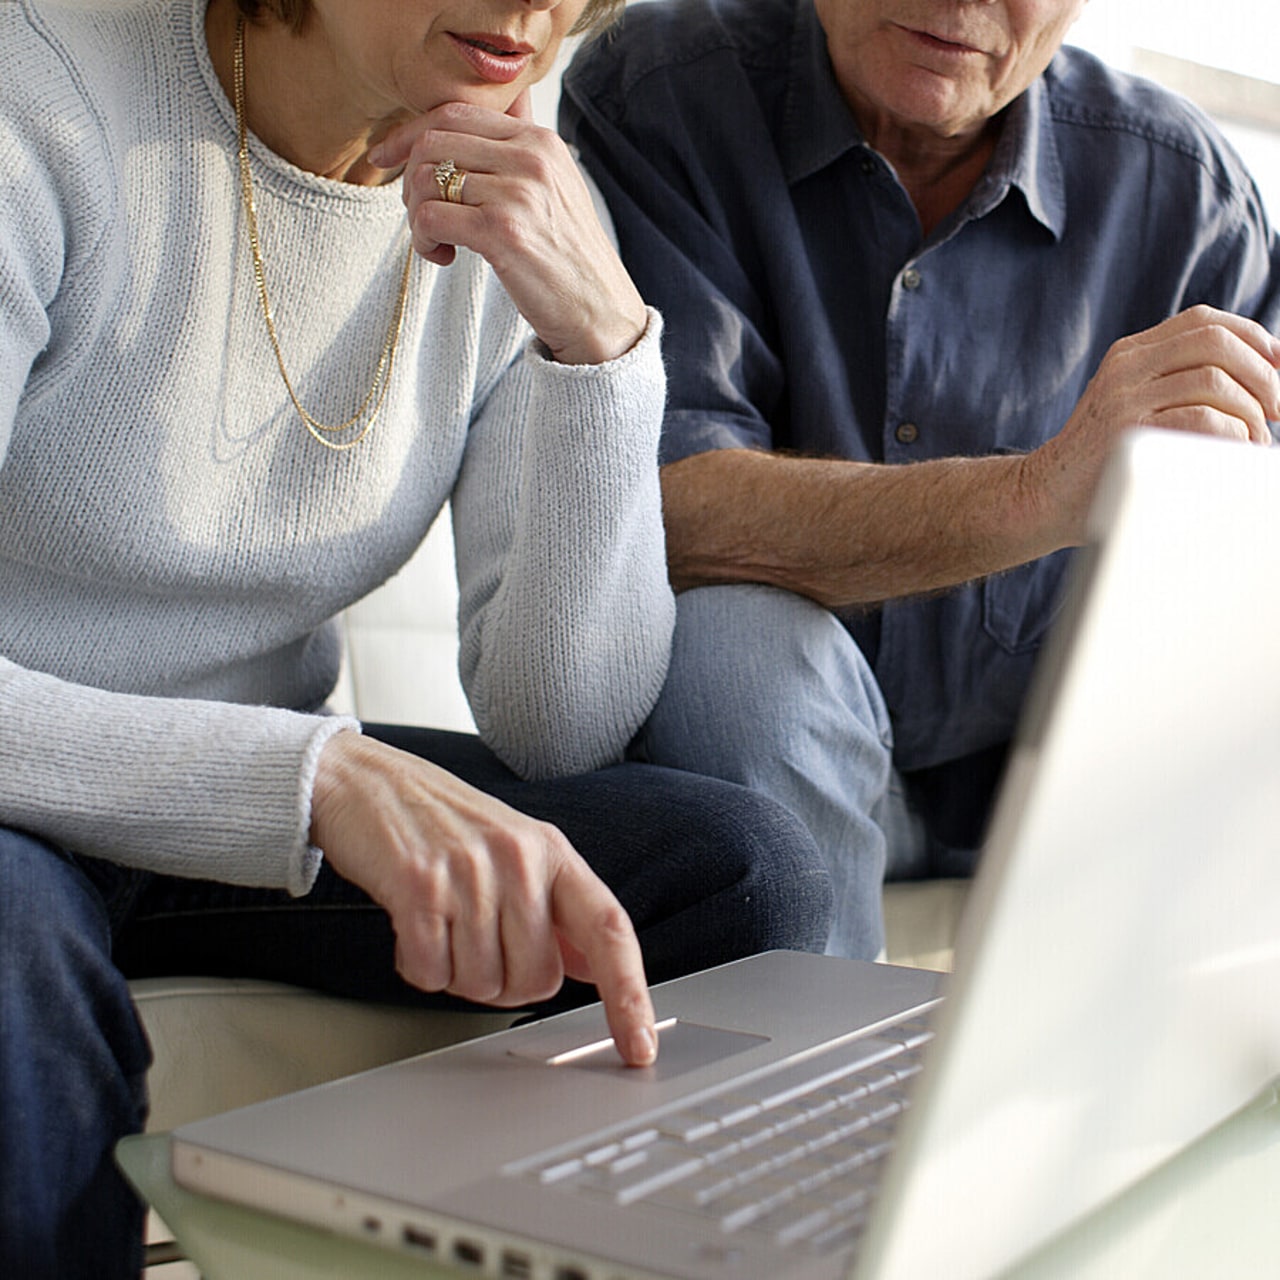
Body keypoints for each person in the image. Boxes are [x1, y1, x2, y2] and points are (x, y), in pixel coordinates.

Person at [0, 0, 836, 1275]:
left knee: (745, 869)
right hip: (34, 781)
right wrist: (315, 776)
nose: (530, 9)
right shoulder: (40, 92)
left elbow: (558, 722)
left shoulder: (513, 182)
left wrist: (601, 346)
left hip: (244, 809)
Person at [560, 0, 1280, 959]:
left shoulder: (1186, 193)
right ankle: (818, 1091)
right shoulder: (657, 89)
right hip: (755, 759)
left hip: (1051, 792)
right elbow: (661, 507)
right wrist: (1043, 491)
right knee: (739, 654)